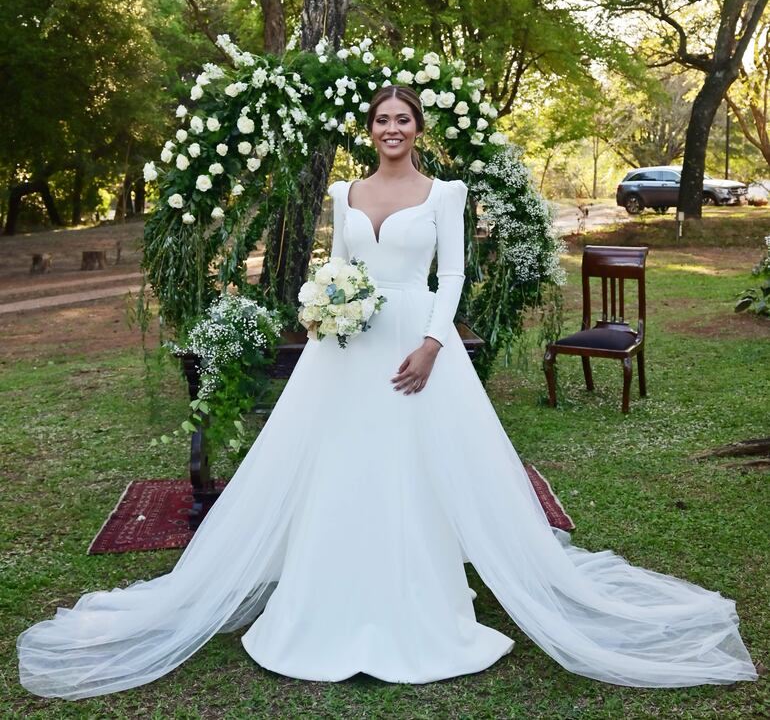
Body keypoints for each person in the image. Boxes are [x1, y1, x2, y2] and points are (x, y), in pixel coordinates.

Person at [17, 85, 758, 701]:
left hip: (413, 336)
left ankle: (417, 601)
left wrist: (434, 345)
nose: (392, 129)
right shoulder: (344, 191)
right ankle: (328, 596)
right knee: (339, 462)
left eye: (403, 119)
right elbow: (335, 263)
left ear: (418, 128)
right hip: (345, 344)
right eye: (381, 120)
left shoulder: (445, 192)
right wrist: (320, 307)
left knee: (411, 463)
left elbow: (455, 278)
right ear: (368, 130)